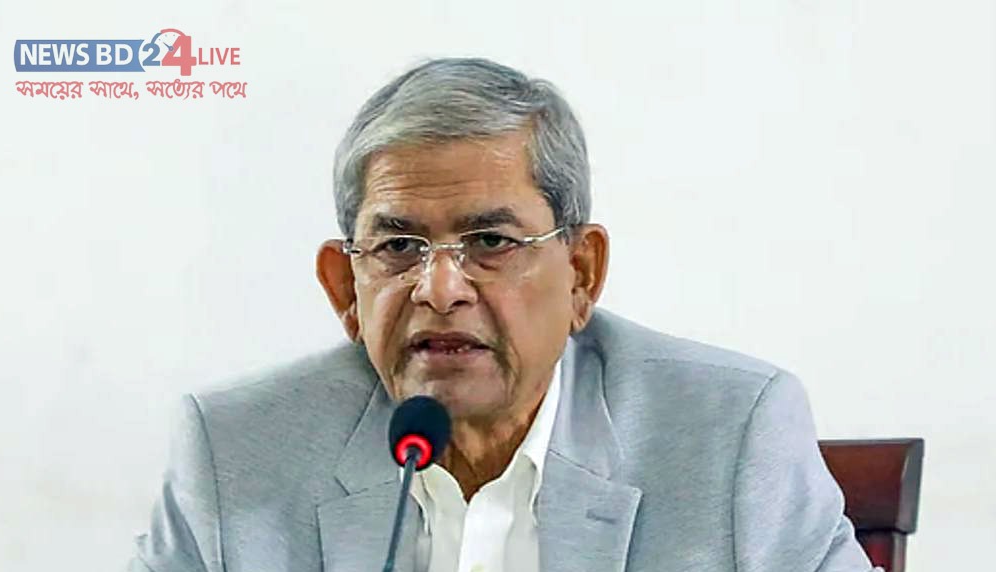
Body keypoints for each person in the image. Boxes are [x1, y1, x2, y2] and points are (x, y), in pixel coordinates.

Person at [130, 57, 878, 572]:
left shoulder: (730, 435)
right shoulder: (234, 453)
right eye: (398, 246)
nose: (440, 289)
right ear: (344, 289)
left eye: (491, 242)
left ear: (581, 273)